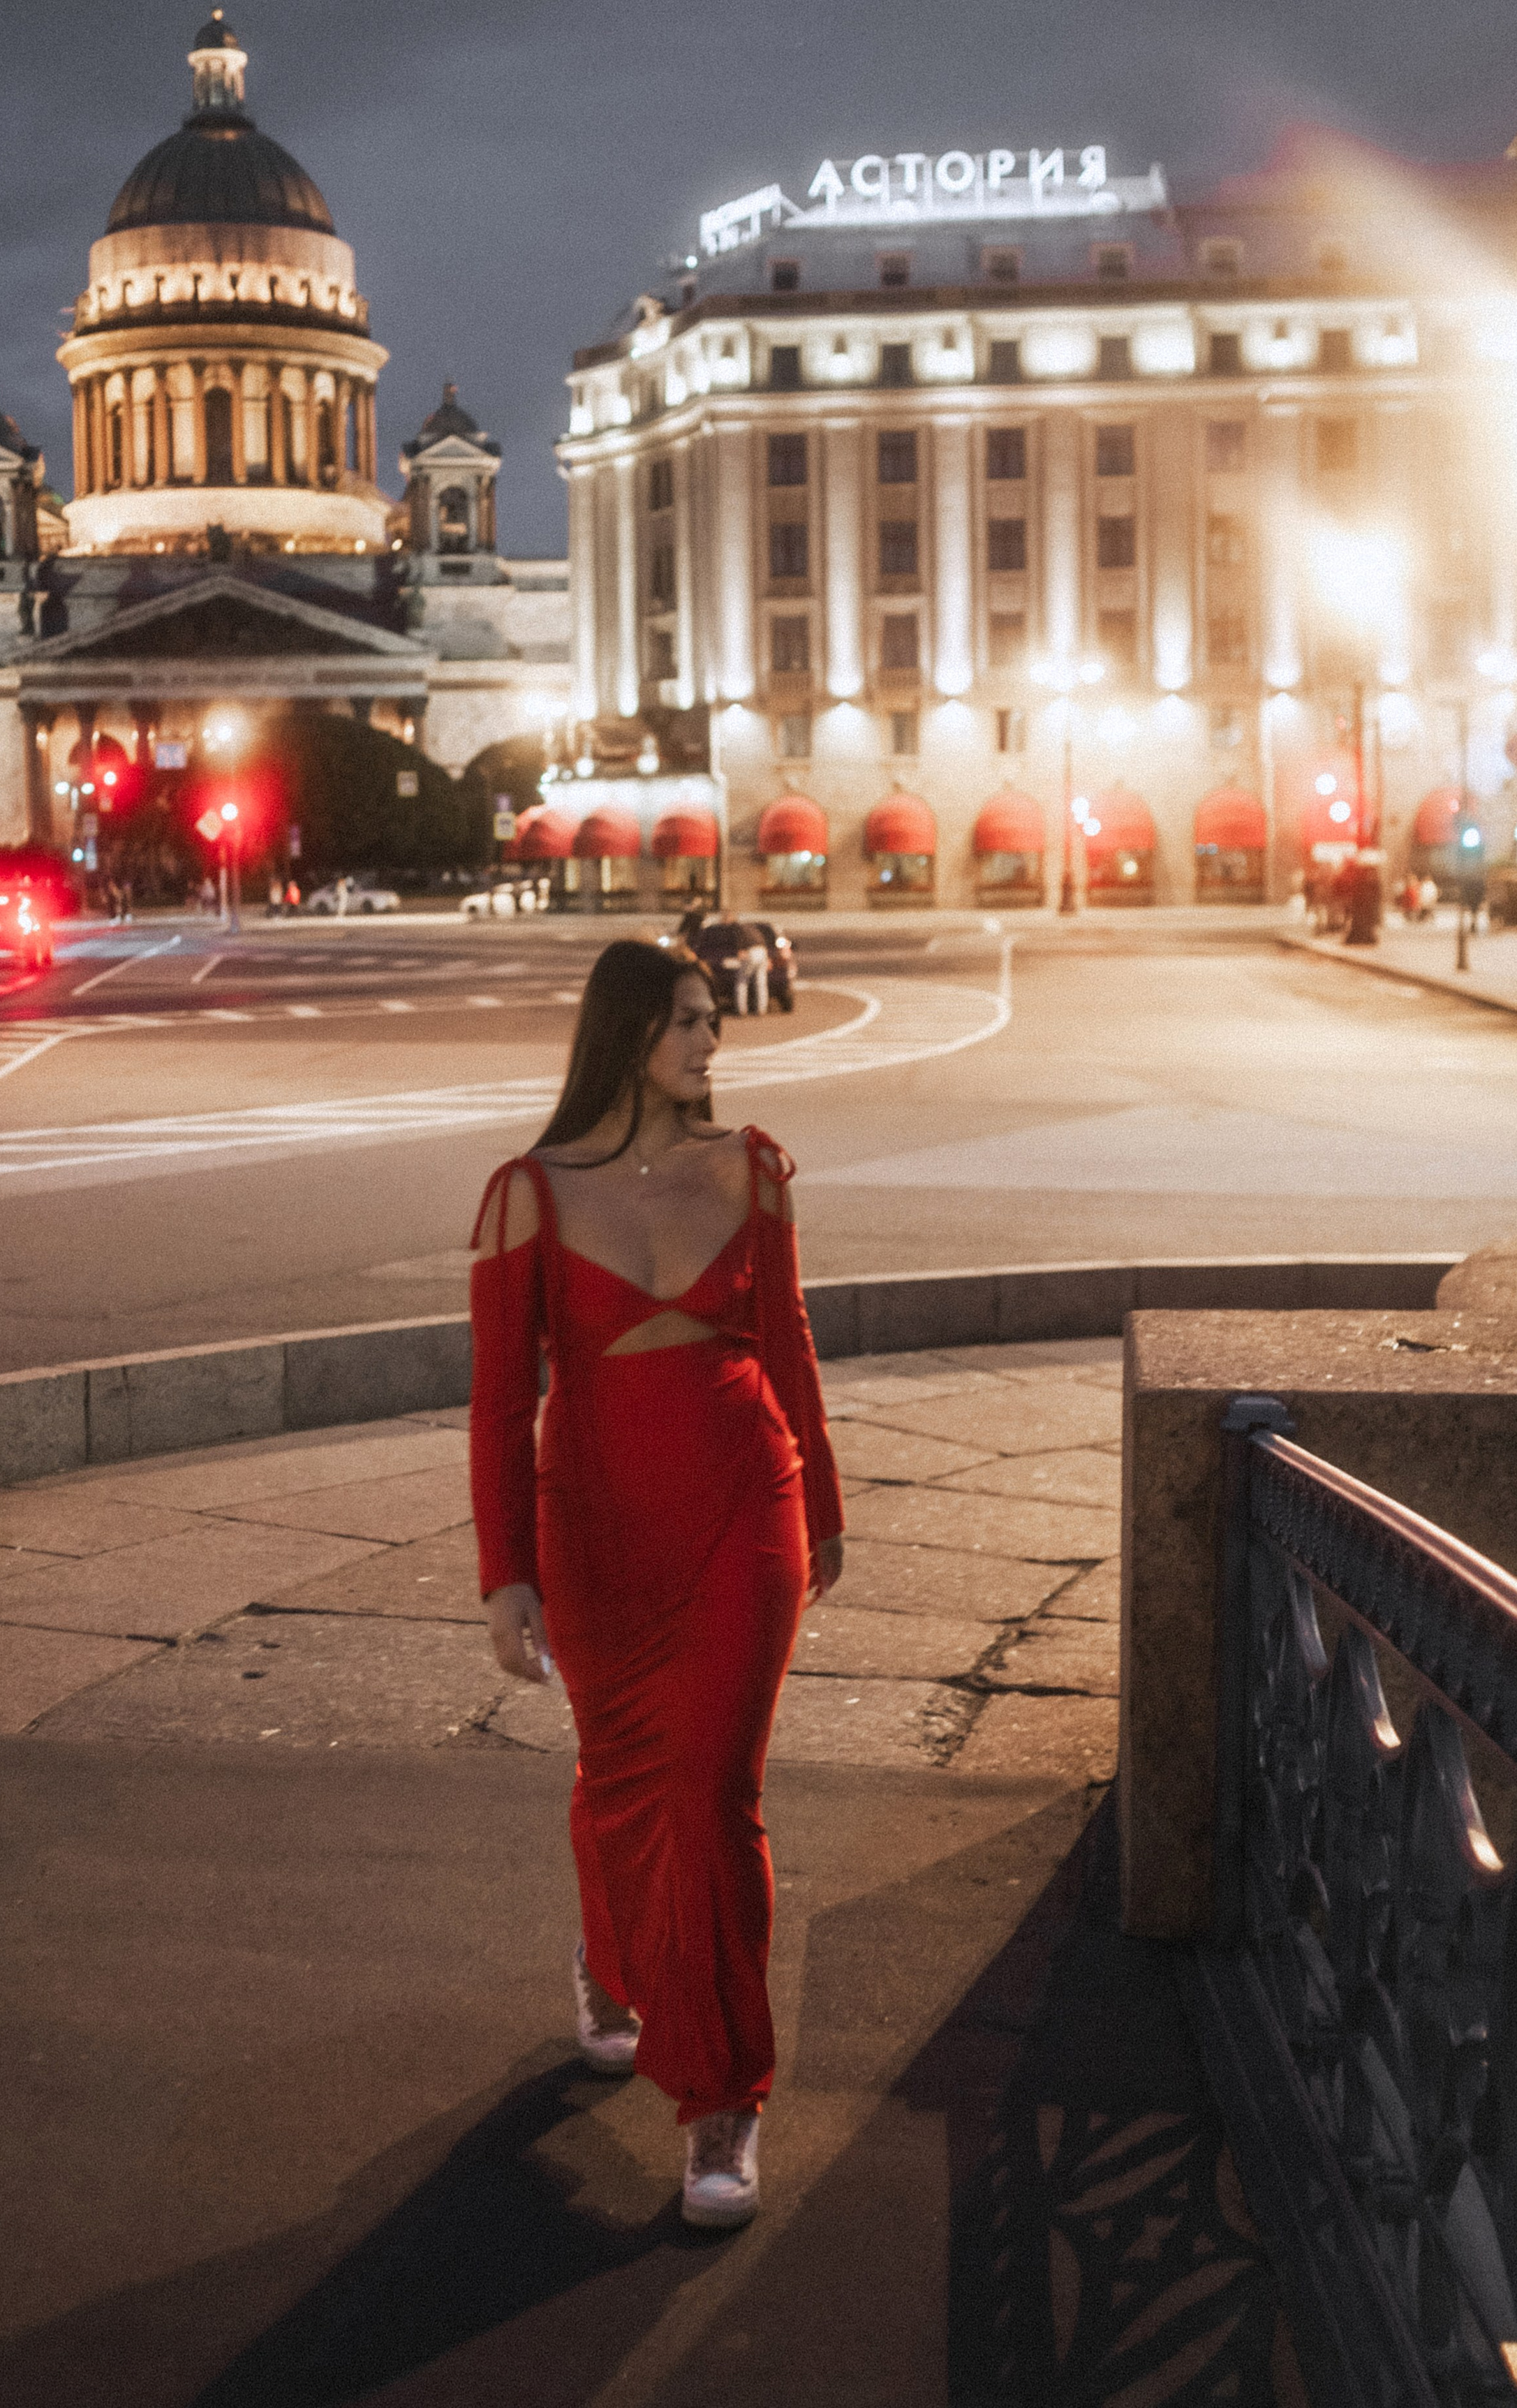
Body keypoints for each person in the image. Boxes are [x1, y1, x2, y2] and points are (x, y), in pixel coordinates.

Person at [468, 940, 843, 2231]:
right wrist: (503, 1575)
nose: (711, 1043)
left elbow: (788, 1340)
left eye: (713, 1022)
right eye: (689, 1021)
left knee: (710, 1789)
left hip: (747, 1504)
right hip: (599, 1533)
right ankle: (615, 1956)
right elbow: (499, 1406)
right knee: (624, 1774)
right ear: (629, 1036)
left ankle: (724, 2101)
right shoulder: (529, 1194)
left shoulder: (754, 1171)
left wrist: (831, 1505)